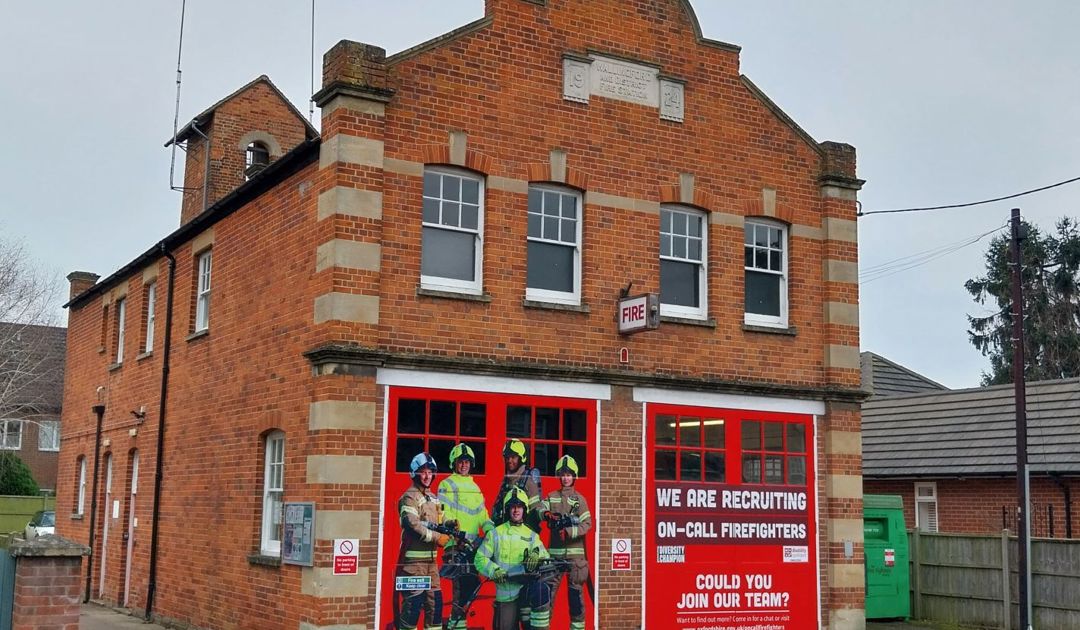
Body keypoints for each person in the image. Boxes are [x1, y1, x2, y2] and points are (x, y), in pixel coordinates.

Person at [475, 487, 551, 630]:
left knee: (541, 590)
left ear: (524, 510)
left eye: (520, 507)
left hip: (525, 595)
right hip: (506, 598)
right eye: (513, 507)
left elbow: (546, 559)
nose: (516, 511)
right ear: (507, 510)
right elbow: (480, 558)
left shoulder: (532, 536)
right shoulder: (495, 534)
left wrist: (536, 554)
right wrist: (494, 570)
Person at [437, 443, 494, 629]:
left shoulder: (475, 487)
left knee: (469, 592)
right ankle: (455, 625)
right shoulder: (447, 484)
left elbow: (482, 516)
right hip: (456, 546)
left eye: (467, 462)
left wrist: (491, 530)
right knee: (460, 592)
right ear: (454, 463)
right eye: (461, 462)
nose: (464, 465)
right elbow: (443, 514)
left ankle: (458, 624)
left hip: (473, 548)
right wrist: (453, 528)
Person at [396, 452, 449, 630]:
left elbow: (441, 520)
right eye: (423, 472)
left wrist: (450, 524)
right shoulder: (409, 497)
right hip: (413, 564)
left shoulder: (433, 498)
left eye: (430, 472)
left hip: (431, 564)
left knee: (435, 608)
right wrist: (437, 537)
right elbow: (412, 524)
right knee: (413, 608)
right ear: (415, 473)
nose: (427, 476)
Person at [540, 455, 593, 630]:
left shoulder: (580, 500)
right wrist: (546, 514)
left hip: (575, 561)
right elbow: (540, 508)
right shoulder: (552, 496)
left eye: (569, 474)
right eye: (563, 474)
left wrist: (569, 532)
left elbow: (587, 524)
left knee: (576, 602)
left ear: (574, 476)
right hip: (554, 558)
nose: (565, 478)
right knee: (546, 600)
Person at [492, 439, 542, 533]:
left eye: (513, 457)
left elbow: (535, 513)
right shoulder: (506, 480)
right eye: (507, 458)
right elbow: (497, 509)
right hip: (505, 533)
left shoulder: (528, 481)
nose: (509, 461)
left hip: (523, 535)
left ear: (521, 458)